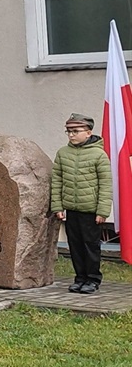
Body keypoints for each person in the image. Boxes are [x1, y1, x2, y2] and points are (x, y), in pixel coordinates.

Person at [52, 113, 112, 295]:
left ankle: (92, 279)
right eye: (68, 131)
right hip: (71, 209)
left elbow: (105, 184)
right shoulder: (63, 153)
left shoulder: (99, 155)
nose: (71, 135)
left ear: (88, 133)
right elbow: (56, 181)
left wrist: (102, 210)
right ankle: (80, 278)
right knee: (75, 245)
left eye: (75, 131)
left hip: (91, 211)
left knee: (90, 246)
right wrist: (57, 206)